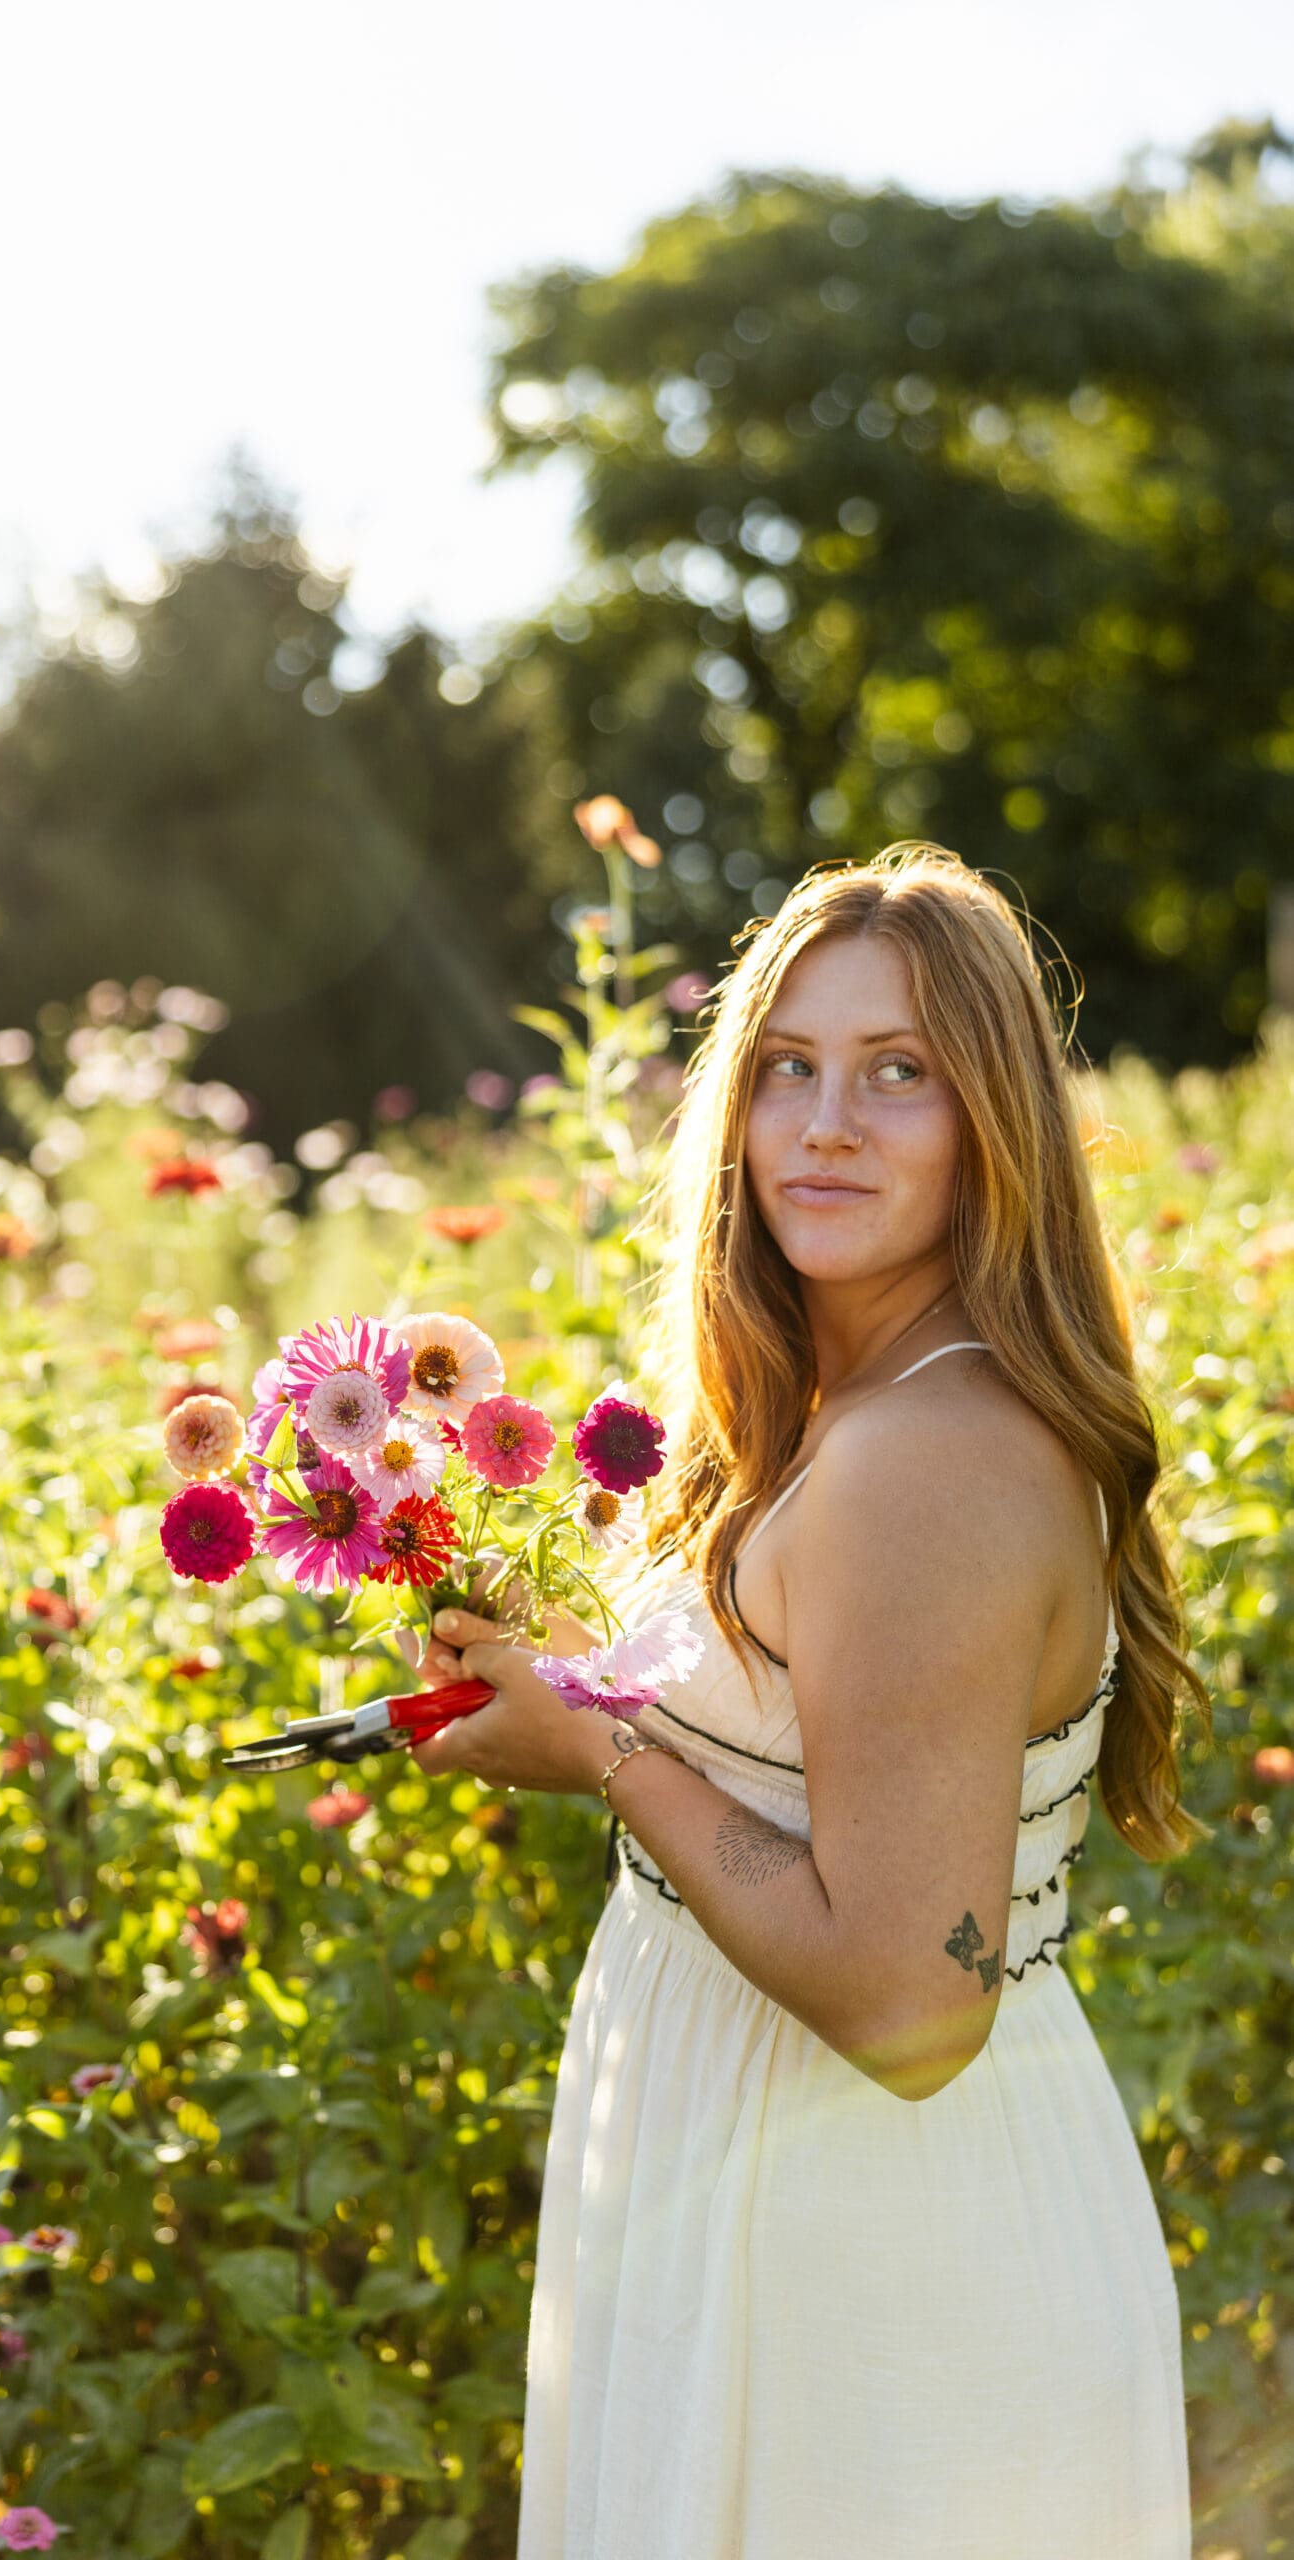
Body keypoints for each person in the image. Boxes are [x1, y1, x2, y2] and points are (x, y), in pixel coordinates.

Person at [412, 844, 1204, 2557]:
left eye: (898, 1073)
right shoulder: (861, 1412)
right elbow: (787, 1736)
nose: (825, 1124)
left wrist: (601, 1752)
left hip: (872, 2252)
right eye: (789, 1068)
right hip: (760, 2190)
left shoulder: (928, 1459)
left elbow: (911, 2003)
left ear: (994, 1117)